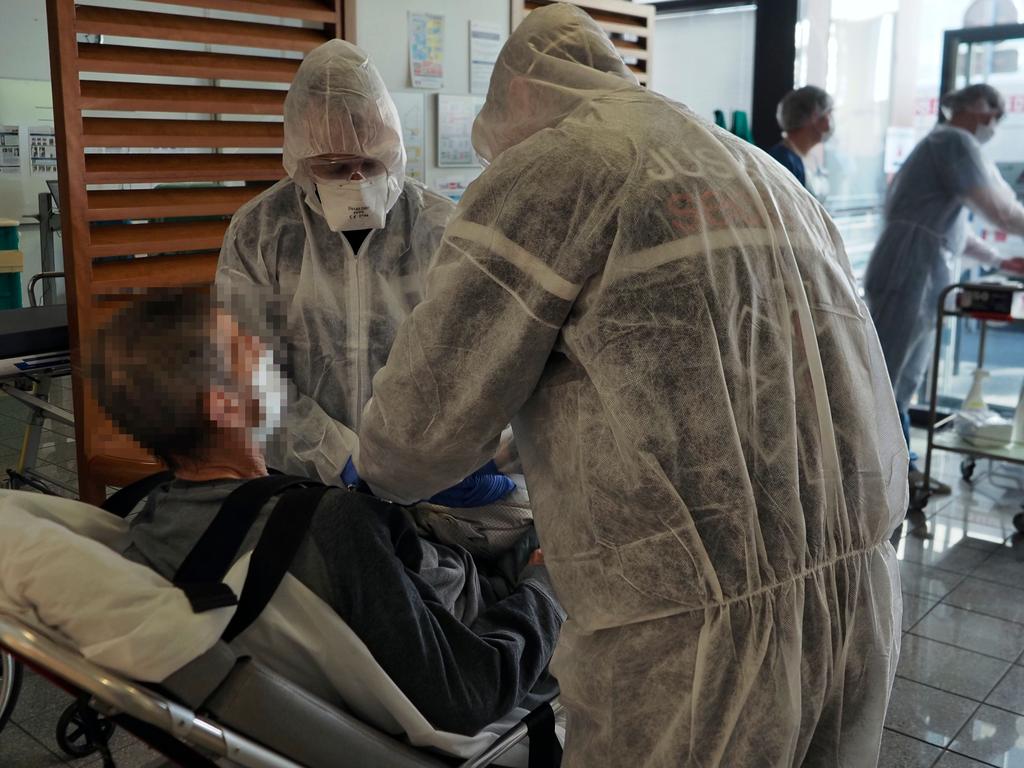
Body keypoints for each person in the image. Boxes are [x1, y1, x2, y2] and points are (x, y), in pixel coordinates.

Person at [350, 4, 905, 766]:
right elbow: (711, 387)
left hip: (692, 637)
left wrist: (378, 462)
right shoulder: (765, 174)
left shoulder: (553, 173)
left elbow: (415, 440)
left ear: (514, 107)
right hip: (858, 594)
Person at [86, 288, 564, 737]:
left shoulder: (152, 521)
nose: (267, 353)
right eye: (245, 346)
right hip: (496, 621)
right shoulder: (330, 523)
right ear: (225, 407)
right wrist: (545, 587)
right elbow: (470, 693)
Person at [216, 39, 511, 505]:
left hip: (426, 482)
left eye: (368, 164)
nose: (356, 181)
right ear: (300, 160)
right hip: (301, 482)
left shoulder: (439, 227)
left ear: (391, 151)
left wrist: (473, 456)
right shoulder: (260, 232)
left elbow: (475, 358)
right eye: (333, 167)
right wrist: (336, 458)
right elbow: (246, 373)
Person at [864, 83, 1024, 493]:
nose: (994, 123)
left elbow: (959, 230)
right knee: (885, 375)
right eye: (994, 112)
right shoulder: (952, 141)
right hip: (909, 265)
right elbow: (1001, 211)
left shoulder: (942, 146)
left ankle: (897, 471)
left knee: (904, 379)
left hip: (922, 264)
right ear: (975, 107)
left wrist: (1000, 260)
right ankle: (865, 475)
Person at [768, 85, 834, 199]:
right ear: (814, 116)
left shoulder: (811, 157)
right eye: (828, 112)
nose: (830, 119)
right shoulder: (782, 161)